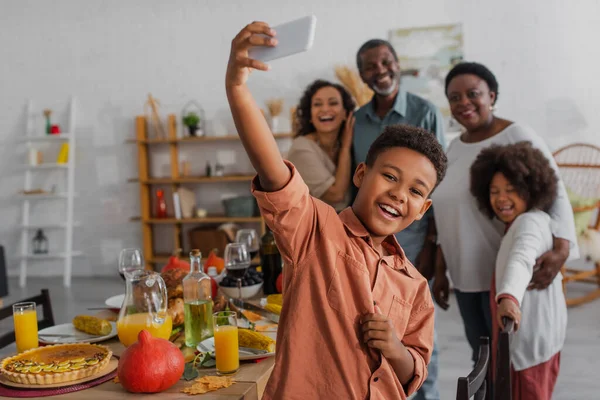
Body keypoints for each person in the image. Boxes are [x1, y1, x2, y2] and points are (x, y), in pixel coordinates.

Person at [225, 22, 448, 400]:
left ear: (423, 208)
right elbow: (272, 168)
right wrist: (237, 89)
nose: (398, 194)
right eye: (390, 177)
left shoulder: (415, 286)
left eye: (414, 190)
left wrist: (395, 348)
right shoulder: (315, 230)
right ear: (362, 173)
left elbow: (415, 370)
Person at [431, 62, 577, 364]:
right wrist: (441, 268)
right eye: (454, 98)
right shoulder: (454, 148)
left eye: (473, 94)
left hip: (502, 273)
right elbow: (447, 212)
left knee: (507, 362)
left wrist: (562, 249)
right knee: (481, 359)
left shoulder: (516, 134)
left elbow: (556, 192)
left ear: (492, 96)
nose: (464, 103)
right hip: (463, 274)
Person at [352, 38, 446, 400]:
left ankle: (425, 393)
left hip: (413, 237)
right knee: (375, 326)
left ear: (397, 63)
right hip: (368, 239)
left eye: (386, 61)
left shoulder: (424, 111)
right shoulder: (357, 120)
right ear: (362, 74)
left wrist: (432, 246)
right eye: (371, 66)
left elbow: (436, 186)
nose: (381, 70)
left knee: (415, 327)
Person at [469, 141, 566, 399]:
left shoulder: (527, 225)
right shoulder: (536, 221)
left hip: (526, 350)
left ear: (530, 189)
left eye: (511, 190)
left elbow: (520, 259)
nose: (501, 198)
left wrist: (509, 296)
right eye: (494, 191)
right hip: (544, 340)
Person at [287, 80, 356, 212]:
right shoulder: (301, 148)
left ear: (345, 114)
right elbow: (336, 195)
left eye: (333, 103)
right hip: (312, 229)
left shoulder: (351, 143)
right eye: (317, 104)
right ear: (310, 115)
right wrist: (346, 147)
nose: (325, 109)